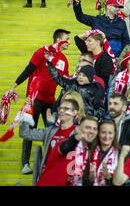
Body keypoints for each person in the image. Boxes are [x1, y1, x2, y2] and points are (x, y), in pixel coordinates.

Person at [9, 29, 71, 175]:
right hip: (35, 98)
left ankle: (47, 163)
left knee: (51, 132)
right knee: (30, 129)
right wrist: (14, 86)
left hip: (51, 100)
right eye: (66, 39)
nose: (69, 42)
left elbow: (66, 82)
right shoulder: (42, 52)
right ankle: (25, 163)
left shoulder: (64, 60)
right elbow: (29, 69)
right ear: (58, 40)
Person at [19, 96, 80, 185]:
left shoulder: (78, 134)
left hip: (67, 180)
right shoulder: (50, 131)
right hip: (48, 178)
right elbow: (25, 133)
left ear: (75, 113)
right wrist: (27, 112)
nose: (62, 111)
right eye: (60, 108)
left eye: (66, 108)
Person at [58, 116, 99, 186]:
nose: (91, 131)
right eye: (88, 127)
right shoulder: (70, 142)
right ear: (79, 129)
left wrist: (91, 178)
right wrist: (77, 137)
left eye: (94, 129)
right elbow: (63, 148)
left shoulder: (95, 150)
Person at [85, 119, 120, 186]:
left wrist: (108, 177)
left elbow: (121, 183)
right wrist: (91, 179)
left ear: (114, 134)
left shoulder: (120, 154)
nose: (106, 137)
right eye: (103, 132)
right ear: (98, 133)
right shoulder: (89, 151)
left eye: (110, 133)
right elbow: (83, 181)